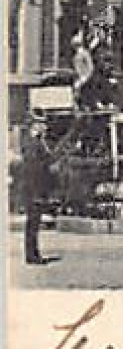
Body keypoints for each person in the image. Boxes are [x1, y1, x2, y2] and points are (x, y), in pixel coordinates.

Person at [20, 112, 56, 266]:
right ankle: (32, 255)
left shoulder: (37, 142)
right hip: (34, 189)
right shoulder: (33, 144)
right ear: (35, 125)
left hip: (36, 188)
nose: (45, 127)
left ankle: (33, 253)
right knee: (33, 224)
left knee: (34, 223)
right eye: (42, 124)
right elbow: (34, 168)